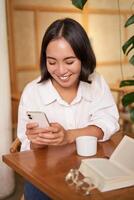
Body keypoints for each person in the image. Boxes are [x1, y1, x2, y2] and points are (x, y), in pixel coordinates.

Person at [17, 18, 119, 200]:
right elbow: (26, 147)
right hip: (46, 175)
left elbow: (108, 121)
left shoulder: (96, 83)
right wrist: (38, 140)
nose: (61, 70)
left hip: (93, 168)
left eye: (69, 61)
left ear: (83, 57)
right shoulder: (33, 92)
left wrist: (68, 135)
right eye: (52, 62)